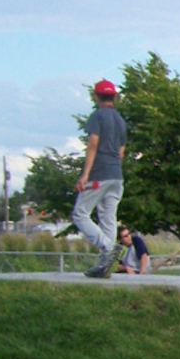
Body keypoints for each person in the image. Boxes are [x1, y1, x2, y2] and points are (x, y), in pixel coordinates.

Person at [74, 79, 128, 278]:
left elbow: (93, 145)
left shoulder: (97, 116)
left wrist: (85, 175)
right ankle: (104, 266)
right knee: (108, 218)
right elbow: (121, 152)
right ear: (114, 97)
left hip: (99, 174)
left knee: (79, 213)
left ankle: (108, 247)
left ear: (96, 97)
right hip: (117, 176)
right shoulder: (121, 121)